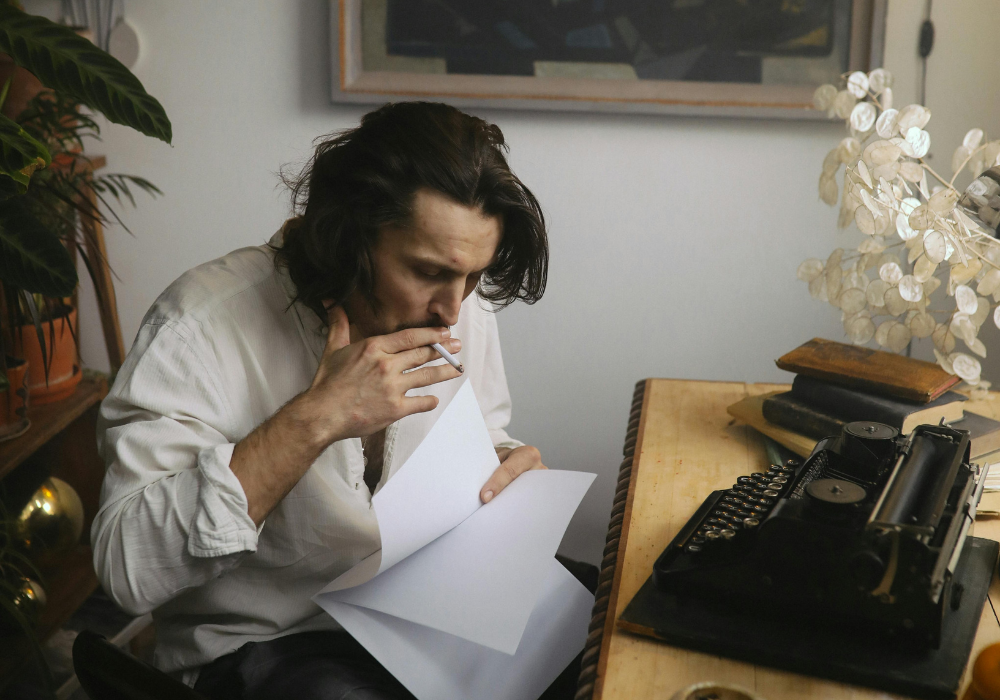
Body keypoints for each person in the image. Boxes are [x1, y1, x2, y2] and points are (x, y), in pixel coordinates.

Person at [92, 102, 590, 699]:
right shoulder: (197, 326)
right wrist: (316, 419)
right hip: (268, 644)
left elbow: (484, 430)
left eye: (473, 276)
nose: (453, 308)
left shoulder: (455, 301)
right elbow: (127, 568)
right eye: (427, 271)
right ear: (348, 238)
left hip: (427, 611)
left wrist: (505, 466)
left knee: (606, 627)